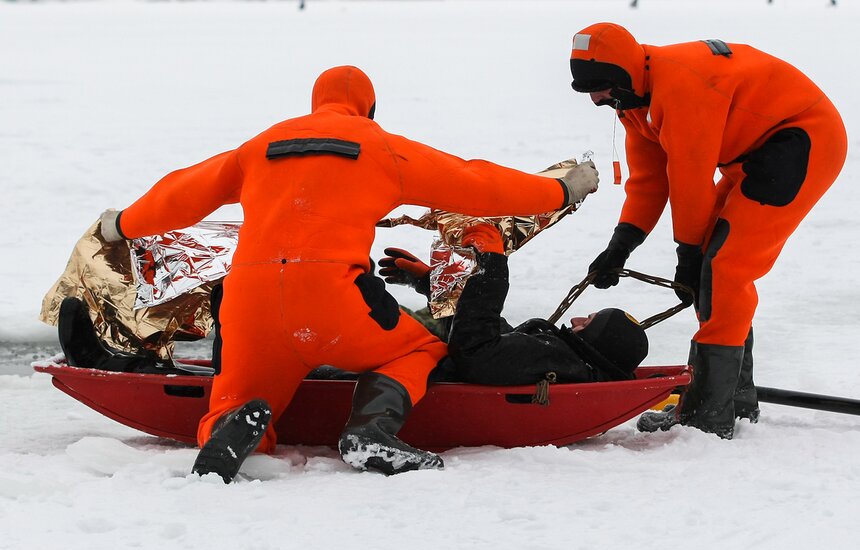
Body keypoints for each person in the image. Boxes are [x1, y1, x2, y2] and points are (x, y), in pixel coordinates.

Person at [96, 65, 600, 482]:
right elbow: (476, 182)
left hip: (249, 302)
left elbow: (181, 192)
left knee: (239, 388)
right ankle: (370, 429)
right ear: (369, 108)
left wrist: (121, 224)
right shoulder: (379, 146)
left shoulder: (261, 146)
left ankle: (231, 426)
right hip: (333, 299)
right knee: (418, 346)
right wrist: (561, 191)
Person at [568, 23, 847, 438]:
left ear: (624, 73)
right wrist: (620, 246)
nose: (596, 98)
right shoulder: (631, 101)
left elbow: (690, 179)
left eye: (602, 87)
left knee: (725, 265)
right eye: (587, 89)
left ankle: (709, 415)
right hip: (750, 155)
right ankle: (733, 398)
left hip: (801, 141)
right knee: (713, 267)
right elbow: (650, 180)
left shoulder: (681, 85)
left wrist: (689, 254)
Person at [380, 224, 649, 386]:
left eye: (588, 323)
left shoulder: (560, 359)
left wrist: (493, 267)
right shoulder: (560, 355)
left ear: (598, 344)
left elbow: (473, 350)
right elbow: (493, 336)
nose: (576, 320)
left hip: (404, 378)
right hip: (409, 369)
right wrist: (432, 285)